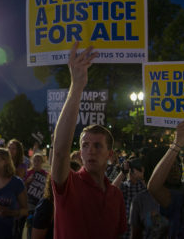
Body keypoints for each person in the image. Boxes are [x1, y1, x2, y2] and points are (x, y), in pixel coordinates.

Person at [51, 42, 127, 239]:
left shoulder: (116, 196)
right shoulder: (68, 183)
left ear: (110, 155)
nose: (90, 150)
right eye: (85, 145)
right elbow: (59, 152)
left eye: (97, 145)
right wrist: (76, 86)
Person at [112, 158, 146, 239]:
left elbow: (151, 192)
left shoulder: (143, 185)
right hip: (125, 230)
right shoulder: (125, 185)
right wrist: (123, 172)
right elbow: (111, 190)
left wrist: (142, 177)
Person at [24, 153, 48, 238]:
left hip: (39, 203)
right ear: (32, 161)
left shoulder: (46, 174)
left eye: (39, 160)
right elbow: (22, 187)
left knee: (37, 225)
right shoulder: (28, 172)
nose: (36, 162)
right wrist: (27, 181)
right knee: (30, 224)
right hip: (29, 203)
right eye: (35, 160)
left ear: (42, 162)